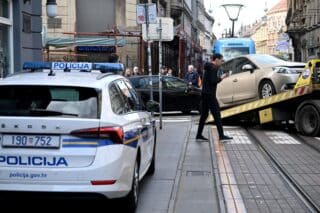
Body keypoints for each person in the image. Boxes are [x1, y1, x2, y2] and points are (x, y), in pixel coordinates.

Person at [196, 53, 233, 142]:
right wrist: (222, 78)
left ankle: (199, 135)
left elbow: (209, 81)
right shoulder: (213, 68)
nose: (221, 62)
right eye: (221, 60)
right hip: (210, 95)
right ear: (216, 60)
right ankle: (221, 136)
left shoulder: (208, 67)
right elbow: (213, 81)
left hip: (205, 94)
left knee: (204, 115)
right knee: (217, 114)